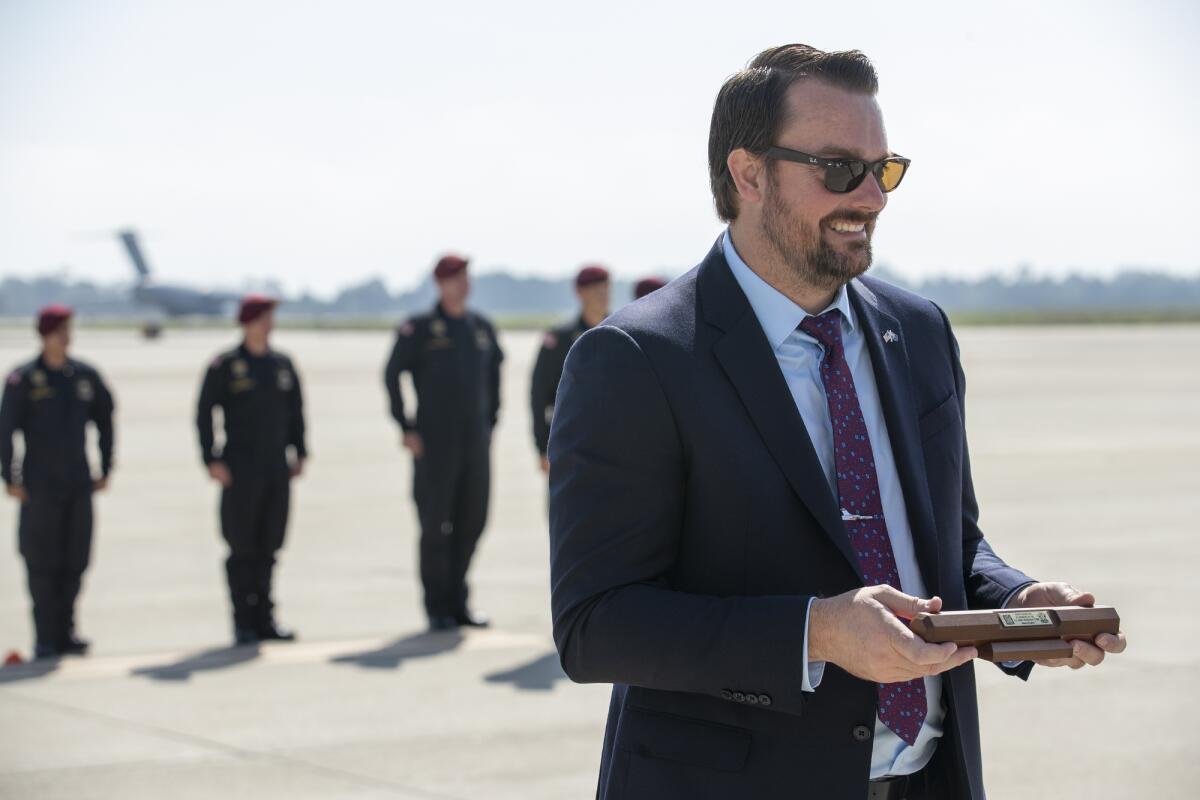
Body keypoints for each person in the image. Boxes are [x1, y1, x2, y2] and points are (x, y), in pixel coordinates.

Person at [548, 44, 1126, 800]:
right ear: (748, 174)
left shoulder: (918, 331)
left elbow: (948, 544)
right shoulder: (635, 358)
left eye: (883, 170)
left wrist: (1015, 607)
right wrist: (816, 631)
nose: (873, 197)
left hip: (928, 780)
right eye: (839, 170)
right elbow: (596, 625)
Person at [384, 254, 504, 631]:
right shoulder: (419, 328)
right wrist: (406, 426)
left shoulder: (481, 327)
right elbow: (392, 375)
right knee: (436, 526)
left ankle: (459, 601)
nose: (462, 284)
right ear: (439, 283)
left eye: (465, 277)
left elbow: (495, 376)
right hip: (435, 445)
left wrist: (491, 422)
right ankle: (437, 607)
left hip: (475, 443)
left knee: (473, 521)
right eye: (454, 278)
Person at [0, 305, 114, 660]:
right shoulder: (24, 379)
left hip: (78, 483)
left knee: (75, 559)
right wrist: (10, 476)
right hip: (39, 486)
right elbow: (6, 432)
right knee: (42, 563)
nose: (67, 337)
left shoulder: (84, 376)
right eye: (61, 330)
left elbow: (105, 419)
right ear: (45, 335)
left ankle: (67, 631)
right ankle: (46, 636)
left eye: (69, 330)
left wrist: (106, 466)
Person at [196, 295, 306, 645]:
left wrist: (300, 450)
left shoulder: (282, 364)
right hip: (240, 468)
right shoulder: (226, 366)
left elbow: (296, 412)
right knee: (242, 546)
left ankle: (266, 618)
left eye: (271, 318)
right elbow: (204, 413)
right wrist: (211, 458)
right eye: (263, 318)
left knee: (270, 545)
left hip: (276, 466)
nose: (269, 325)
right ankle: (243, 620)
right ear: (247, 323)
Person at [530, 264, 611, 472]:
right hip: (570, 447)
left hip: (613, 447)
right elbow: (539, 395)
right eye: (595, 288)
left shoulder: (620, 333)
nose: (602, 293)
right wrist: (542, 447)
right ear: (579, 292)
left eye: (605, 286)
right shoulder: (559, 339)